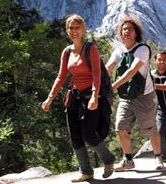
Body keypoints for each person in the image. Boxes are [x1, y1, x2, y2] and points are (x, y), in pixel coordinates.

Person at [42, 14, 115, 182]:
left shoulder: (91, 49)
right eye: (70, 28)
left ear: (83, 29)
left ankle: (108, 159)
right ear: (67, 30)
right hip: (74, 98)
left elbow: (96, 74)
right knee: (75, 135)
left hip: (90, 96)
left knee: (88, 134)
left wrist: (95, 96)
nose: (73, 31)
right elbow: (61, 77)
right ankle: (86, 171)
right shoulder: (67, 52)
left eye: (77, 27)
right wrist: (50, 98)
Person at [106, 15, 164, 171]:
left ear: (136, 33)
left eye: (130, 29)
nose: (126, 32)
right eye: (124, 29)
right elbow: (108, 68)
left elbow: (132, 71)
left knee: (150, 129)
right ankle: (128, 160)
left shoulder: (143, 49)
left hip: (144, 97)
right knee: (120, 128)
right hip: (126, 98)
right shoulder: (119, 51)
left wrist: (114, 86)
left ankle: (159, 158)